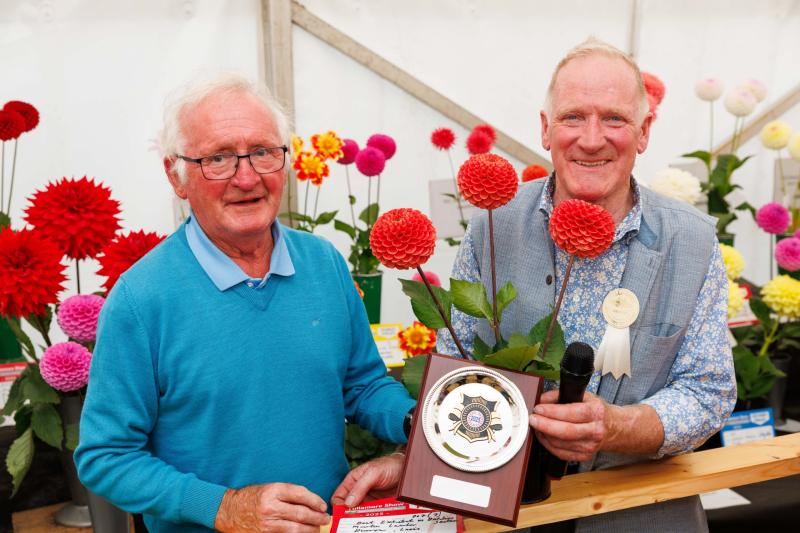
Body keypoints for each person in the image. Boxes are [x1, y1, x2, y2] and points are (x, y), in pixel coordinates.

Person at [75, 73, 415, 533]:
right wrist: (223, 507)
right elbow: (105, 456)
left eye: (262, 151)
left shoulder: (323, 263)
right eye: (218, 158)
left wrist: (420, 424)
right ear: (176, 175)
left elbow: (363, 385)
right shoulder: (140, 299)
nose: (247, 176)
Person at [438, 38, 736, 532]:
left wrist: (617, 426)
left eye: (614, 119)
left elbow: (709, 392)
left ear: (644, 132)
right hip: (507, 512)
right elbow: (454, 359)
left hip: (642, 513)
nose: (592, 139)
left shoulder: (693, 240)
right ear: (545, 129)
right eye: (573, 117)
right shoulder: (493, 224)